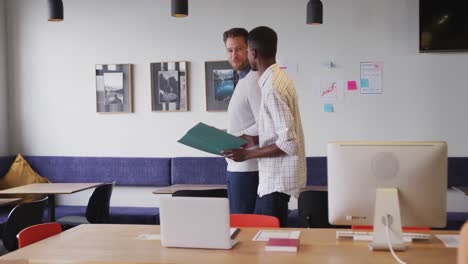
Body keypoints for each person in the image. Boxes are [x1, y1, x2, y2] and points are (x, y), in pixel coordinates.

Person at [222, 26, 306, 227]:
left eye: (242, 49)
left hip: (274, 178)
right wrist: (253, 139)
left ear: (253, 52)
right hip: (273, 178)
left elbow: (288, 143)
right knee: (260, 238)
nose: (235, 54)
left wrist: (248, 154)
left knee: (261, 239)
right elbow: (275, 128)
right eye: (230, 50)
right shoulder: (278, 78)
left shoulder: (269, 86)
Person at [223, 28, 261, 214]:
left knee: (244, 227)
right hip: (236, 166)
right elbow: (244, 120)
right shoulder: (242, 81)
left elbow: (265, 122)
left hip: (248, 168)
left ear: (250, 49)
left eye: (238, 49)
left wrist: (244, 138)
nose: (234, 55)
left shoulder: (254, 80)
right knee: (237, 223)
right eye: (230, 50)